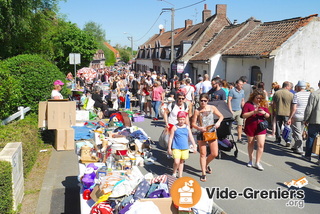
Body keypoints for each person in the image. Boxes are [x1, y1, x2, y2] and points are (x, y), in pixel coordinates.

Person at [192, 93, 224, 182]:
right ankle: (203, 173)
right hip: (201, 133)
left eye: (205, 101)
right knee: (203, 153)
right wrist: (199, 128)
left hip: (211, 132)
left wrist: (218, 122)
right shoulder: (197, 111)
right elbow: (193, 123)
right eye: (201, 101)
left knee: (214, 153)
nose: (203, 102)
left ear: (207, 101)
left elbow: (221, 116)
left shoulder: (212, 108)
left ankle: (205, 165)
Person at [241, 89, 270, 171]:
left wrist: (263, 112)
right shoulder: (248, 104)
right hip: (250, 126)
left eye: (261, 98)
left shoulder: (264, 104)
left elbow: (268, 115)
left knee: (261, 145)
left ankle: (257, 162)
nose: (259, 100)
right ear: (253, 97)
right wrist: (254, 112)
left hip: (261, 126)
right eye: (257, 98)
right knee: (251, 143)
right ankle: (250, 160)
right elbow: (243, 115)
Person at [167, 111, 197, 178]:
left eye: (183, 119)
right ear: (177, 119)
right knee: (176, 162)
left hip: (185, 147)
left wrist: (194, 145)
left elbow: (191, 136)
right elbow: (171, 138)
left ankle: (180, 174)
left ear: (185, 119)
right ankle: (174, 172)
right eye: (180, 119)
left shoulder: (187, 127)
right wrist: (169, 148)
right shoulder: (174, 127)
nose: (181, 121)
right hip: (176, 147)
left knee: (182, 161)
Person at [287, 80, 310, 155]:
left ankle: (299, 149)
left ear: (299, 87)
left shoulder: (297, 95)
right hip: (305, 116)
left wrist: (290, 117)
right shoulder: (309, 94)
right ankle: (296, 146)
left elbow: (294, 107)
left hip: (297, 115)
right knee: (300, 131)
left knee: (297, 133)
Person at [303, 80, 320, 164]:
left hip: (315, 119)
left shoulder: (314, 94)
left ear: (318, 84)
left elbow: (309, 108)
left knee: (311, 137)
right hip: (315, 120)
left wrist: (306, 119)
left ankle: (308, 156)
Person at [272, 81, 294, 146]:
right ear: (287, 86)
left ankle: (278, 139)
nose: (291, 88)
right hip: (287, 113)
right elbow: (293, 105)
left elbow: (274, 103)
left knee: (278, 126)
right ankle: (288, 140)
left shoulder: (277, 93)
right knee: (288, 126)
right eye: (290, 87)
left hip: (278, 111)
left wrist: (274, 111)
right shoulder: (291, 94)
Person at [228, 79, 245, 144]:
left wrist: (243, 109)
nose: (241, 86)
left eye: (242, 85)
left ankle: (239, 138)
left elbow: (242, 100)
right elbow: (229, 100)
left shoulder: (242, 91)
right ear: (237, 84)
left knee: (240, 125)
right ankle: (228, 138)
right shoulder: (232, 91)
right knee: (229, 125)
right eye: (240, 84)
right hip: (232, 110)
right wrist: (230, 110)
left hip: (239, 110)